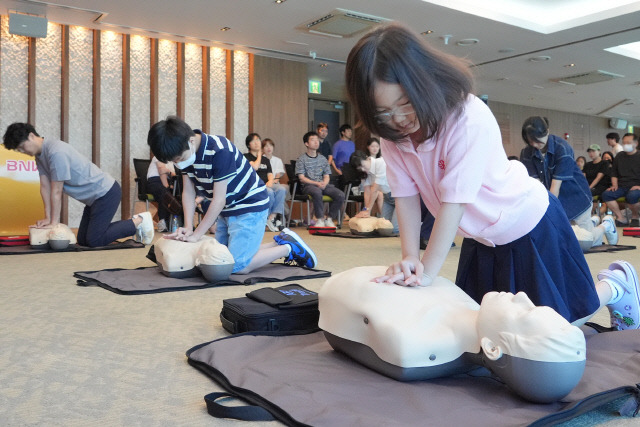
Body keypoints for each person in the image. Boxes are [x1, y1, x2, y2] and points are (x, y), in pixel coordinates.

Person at [344, 24, 639, 330]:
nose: (398, 120)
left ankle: (617, 286)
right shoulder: (394, 137)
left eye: (404, 104)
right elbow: (405, 196)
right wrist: (409, 258)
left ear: (424, 81)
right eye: (382, 113)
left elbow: (453, 203)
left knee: (560, 324)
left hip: (527, 223)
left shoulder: (466, 116)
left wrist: (426, 273)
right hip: (481, 236)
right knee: (489, 328)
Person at [319, 265, 598, 402]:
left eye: (523, 312)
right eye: (533, 305)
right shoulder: (473, 312)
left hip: (342, 288)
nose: (523, 296)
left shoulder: (413, 344)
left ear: (492, 349)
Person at [147, 116, 317, 272]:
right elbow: (188, 192)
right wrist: (189, 228)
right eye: (174, 161)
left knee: (235, 266)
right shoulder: (184, 151)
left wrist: (197, 234)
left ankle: (289, 248)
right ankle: (280, 241)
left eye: (179, 159)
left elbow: (219, 199)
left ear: (191, 140)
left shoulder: (220, 150)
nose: (179, 164)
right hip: (226, 210)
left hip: (249, 206)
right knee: (218, 258)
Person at [2, 122, 154, 247]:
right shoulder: (39, 155)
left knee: (94, 240)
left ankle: (139, 220)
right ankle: (132, 224)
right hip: (93, 200)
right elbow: (45, 187)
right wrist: (47, 218)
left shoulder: (56, 152)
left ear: (31, 136)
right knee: (83, 240)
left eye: (22, 147)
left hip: (106, 193)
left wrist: (54, 222)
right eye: (19, 150)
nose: (22, 152)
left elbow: (56, 190)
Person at [519, 116, 617, 248]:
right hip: (556, 201)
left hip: (577, 198)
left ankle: (606, 225)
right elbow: (536, 186)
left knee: (584, 244)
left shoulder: (562, 148)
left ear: (547, 131)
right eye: (531, 142)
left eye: (538, 142)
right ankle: (593, 221)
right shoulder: (526, 153)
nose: (535, 146)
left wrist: (549, 213)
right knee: (563, 242)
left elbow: (555, 188)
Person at [295, 131, 345, 228]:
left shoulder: (323, 159)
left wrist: (324, 183)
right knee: (317, 192)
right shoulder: (301, 159)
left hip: (323, 184)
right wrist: (316, 183)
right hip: (308, 185)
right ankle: (320, 219)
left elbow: (327, 175)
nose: (316, 142)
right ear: (306, 144)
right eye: (313, 140)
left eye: (317, 140)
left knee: (340, 195)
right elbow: (301, 178)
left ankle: (329, 218)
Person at [244, 133, 286, 232]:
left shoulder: (266, 160)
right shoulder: (246, 157)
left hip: (266, 184)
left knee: (281, 189)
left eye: (258, 140)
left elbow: (270, 174)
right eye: (253, 141)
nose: (257, 142)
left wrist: (271, 181)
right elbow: (255, 167)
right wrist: (259, 155)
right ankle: (266, 217)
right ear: (248, 145)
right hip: (253, 186)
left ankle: (272, 216)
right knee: (269, 192)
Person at [350, 150, 398, 234]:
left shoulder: (380, 163)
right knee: (382, 228)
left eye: (363, 166)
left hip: (399, 197)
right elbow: (367, 192)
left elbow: (375, 190)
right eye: (359, 168)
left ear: (368, 158)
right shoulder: (365, 174)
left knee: (394, 229)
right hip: (388, 198)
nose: (362, 169)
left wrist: (367, 210)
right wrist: (365, 210)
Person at [601, 133, 640, 227]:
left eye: (628, 142)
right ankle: (621, 218)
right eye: (624, 142)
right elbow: (614, 173)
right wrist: (614, 185)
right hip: (621, 186)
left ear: (636, 143)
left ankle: (635, 217)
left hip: (636, 186)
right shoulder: (619, 156)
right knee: (606, 194)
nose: (625, 144)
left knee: (632, 196)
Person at [146, 156, 182, 232]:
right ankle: (162, 221)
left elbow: (173, 174)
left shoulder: (173, 159)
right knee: (165, 193)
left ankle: (180, 223)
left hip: (168, 182)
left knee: (179, 193)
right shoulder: (158, 155)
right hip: (154, 182)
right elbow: (161, 170)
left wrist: (169, 173)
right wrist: (170, 173)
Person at [262, 138, 290, 219]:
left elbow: (278, 176)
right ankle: (284, 213)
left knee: (282, 189)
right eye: (266, 146)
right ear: (262, 148)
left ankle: (273, 215)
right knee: (275, 193)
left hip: (274, 183)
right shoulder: (261, 159)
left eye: (270, 145)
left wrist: (273, 181)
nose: (268, 148)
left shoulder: (278, 160)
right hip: (264, 184)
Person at [583, 144, 612, 215]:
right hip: (589, 186)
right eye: (589, 152)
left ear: (599, 152)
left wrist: (589, 188)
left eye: (593, 151)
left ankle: (590, 214)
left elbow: (598, 178)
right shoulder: (587, 164)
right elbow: (583, 177)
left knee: (588, 193)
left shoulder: (604, 163)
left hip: (601, 186)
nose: (591, 153)